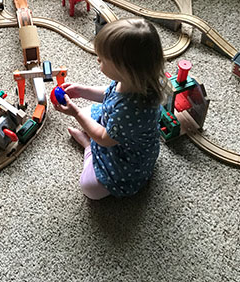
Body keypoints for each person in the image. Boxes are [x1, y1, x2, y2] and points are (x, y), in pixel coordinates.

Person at [52, 18, 166, 200]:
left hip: (125, 157)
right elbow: (109, 93)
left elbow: (104, 139)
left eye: (103, 60)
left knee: (90, 188)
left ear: (125, 70)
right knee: (90, 112)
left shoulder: (130, 111)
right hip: (118, 130)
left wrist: (76, 113)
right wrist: (83, 91)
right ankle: (89, 140)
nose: (98, 60)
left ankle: (88, 147)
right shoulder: (134, 82)